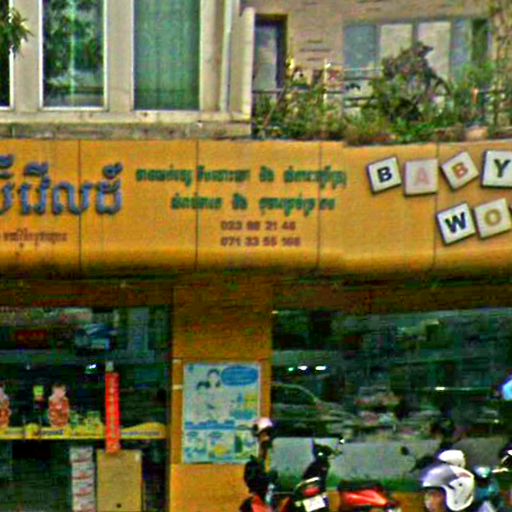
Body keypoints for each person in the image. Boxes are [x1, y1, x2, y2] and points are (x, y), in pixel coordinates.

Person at [240, 417, 278, 512]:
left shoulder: (279, 451)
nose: (266, 438)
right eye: (263, 435)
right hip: (266, 494)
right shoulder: (260, 456)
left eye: (268, 434)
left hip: (281, 492)